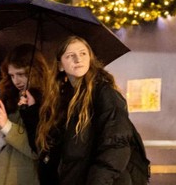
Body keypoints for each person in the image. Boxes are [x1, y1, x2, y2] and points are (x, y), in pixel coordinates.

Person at [34, 36, 149, 185]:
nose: (78, 59)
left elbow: (116, 145)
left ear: (90, 58)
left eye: (83, 53)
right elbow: (49, 149)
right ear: (60, 65)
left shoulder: (105, 93)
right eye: (70, 56)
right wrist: (30, 110)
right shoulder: (60, 100)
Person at [0, 44, 48, 185]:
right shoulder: (6, 96)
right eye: (11, 75)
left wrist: (7, 125)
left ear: (35, 71)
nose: (16, 81)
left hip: (27, 178)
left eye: (21, 74)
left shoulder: (49, 101)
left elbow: (38, 150)